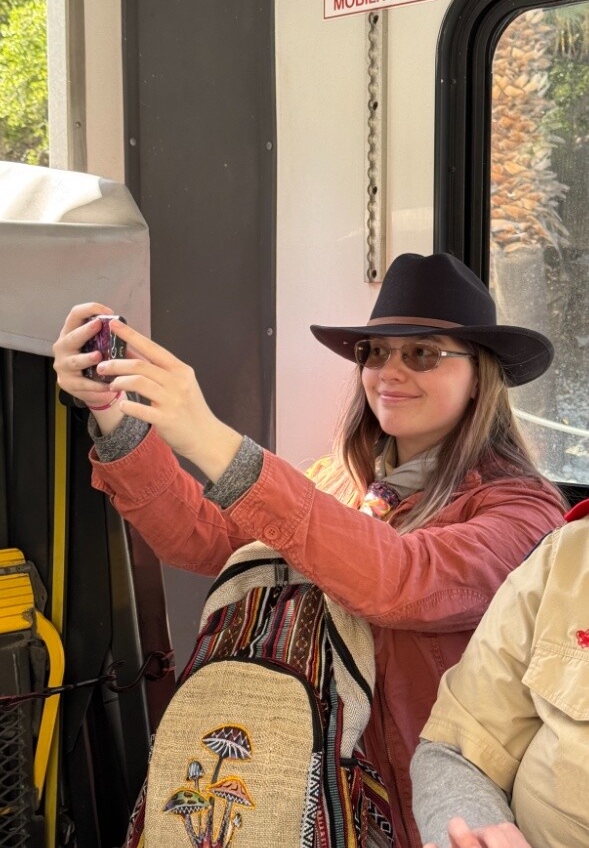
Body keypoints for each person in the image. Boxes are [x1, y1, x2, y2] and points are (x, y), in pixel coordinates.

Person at [52, 252, 566, 848]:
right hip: (298, 794)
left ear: (480, 375)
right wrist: (113, 414)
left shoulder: (523, 511)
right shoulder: (335, 483)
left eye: (423, 353)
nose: (389, 372)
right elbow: (201, 537)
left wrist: (210, 438)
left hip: (416, 811)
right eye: (375, 353)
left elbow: (399, 579)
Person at [411, 497, 589, 848]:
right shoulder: (570, 551)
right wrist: (472, 838)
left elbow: (401, 578)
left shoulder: (518, 503)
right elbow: (460, 749)